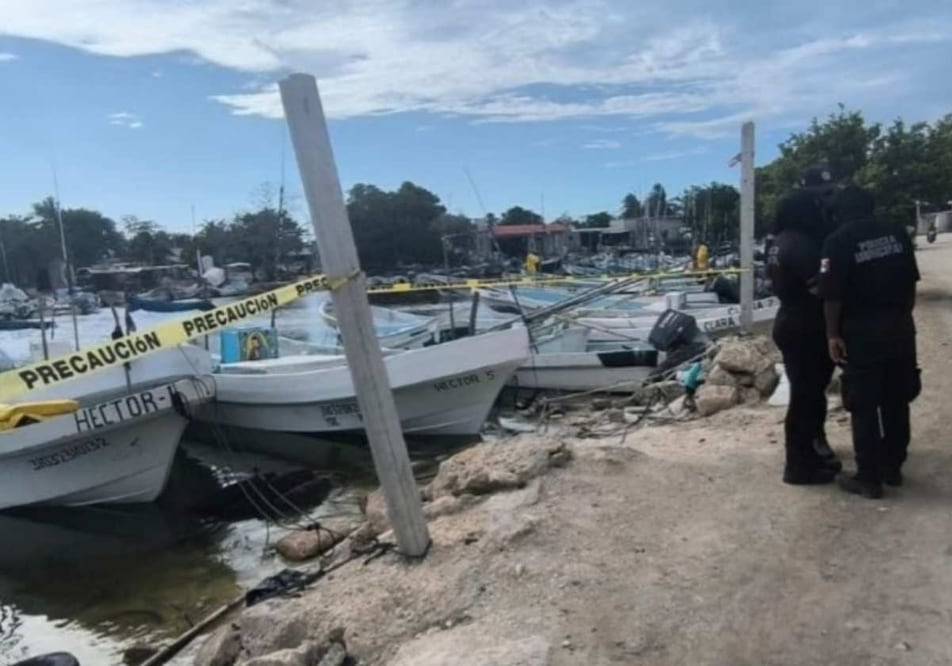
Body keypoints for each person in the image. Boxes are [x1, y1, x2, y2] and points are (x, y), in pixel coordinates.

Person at [819, 185, 921, 498]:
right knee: (896, 399)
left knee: (863, 404)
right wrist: (901, 318)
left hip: (861, 330)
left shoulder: (837, 240)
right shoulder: (897, 232)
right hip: (900, 325)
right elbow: (911, 282)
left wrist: (832, 334)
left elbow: (832, 295)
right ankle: (893, 467)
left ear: (840, 210)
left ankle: (868, 477)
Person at [767, 179, 842, 485]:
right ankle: (799, 465)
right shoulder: (803, 244)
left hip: (788, 319)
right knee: (806, 398)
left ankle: (807, 456)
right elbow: (820, 289)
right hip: (806, 324)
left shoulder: (778, 241)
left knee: (805, 394)